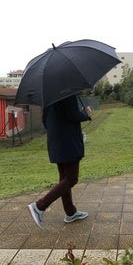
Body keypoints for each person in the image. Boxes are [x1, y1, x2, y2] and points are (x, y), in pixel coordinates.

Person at [28, 94, 92, 229]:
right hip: (68, 144)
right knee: (71, 179)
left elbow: (45, 121)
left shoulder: (49, 97)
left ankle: (70, 213)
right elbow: (72, 115)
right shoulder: (67, 93)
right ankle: (39, 206)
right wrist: (85, 113)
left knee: (64, 178)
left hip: (56, 143)